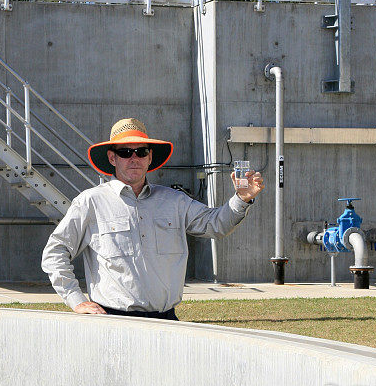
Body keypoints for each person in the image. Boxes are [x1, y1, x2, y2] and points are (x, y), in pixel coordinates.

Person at [41, 118, 264, 319]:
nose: (134, 158)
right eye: (125, 153)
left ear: (150, 157)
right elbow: (55, 252)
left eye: (141, 152)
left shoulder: (175, 201)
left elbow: (216, 224)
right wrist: (76, 300)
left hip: (167, 321)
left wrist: (241, 199)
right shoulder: (90, 202)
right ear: (112, 158)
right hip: (112, 321)